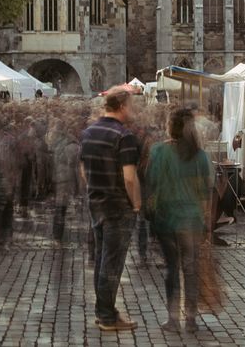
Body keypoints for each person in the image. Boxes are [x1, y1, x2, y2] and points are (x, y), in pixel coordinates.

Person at [79, 86, 142, 332]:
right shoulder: (124, 136)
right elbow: (129, 178)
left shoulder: (88, 132)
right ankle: (107, 316)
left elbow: (83, 170)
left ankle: (103, 310)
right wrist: (136, 202)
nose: (134, 110)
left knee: (102, 261)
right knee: (112, 263)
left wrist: (97, 188)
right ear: (122, 106)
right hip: (117, 206)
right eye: (132, 105)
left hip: (96, 202)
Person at [145, 107, 213, 334]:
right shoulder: (200, 156)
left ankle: (173, 318)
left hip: (166, 219)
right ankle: (191, 319)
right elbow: (206, 192)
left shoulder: (158, 152)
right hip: (192, 220)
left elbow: (151, 183)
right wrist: (207, 223)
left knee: (172, 268)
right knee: (191, 269)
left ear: (169, 127)